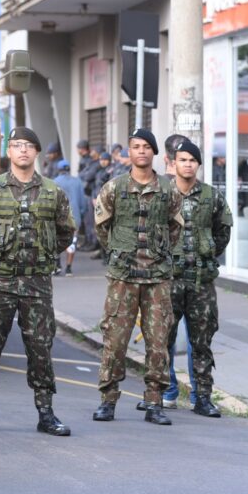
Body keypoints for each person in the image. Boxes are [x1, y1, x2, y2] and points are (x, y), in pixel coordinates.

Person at [0, 127, 76, 438]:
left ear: (36, 152)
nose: (23, 150)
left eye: (28, 145)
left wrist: (42, 254)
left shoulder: (53, 192)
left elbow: (66, 232)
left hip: (37, 284)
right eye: (16, 145)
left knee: (41, 348)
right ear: (9, 152)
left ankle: (46, 412)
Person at [91, 128, 182, 425]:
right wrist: (119, 251)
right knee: (115, 340)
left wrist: (157, 253)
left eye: (146, 146)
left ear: (154, 152)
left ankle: (154, 402)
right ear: (129, 152)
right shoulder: (114, 188)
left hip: (157, 278)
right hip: (123, 278)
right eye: (136, 146)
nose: (141, 151)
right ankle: (108, 400)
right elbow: (101, 226)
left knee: (158, 342)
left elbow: (175, 228)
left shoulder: (168, 190)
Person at [165, 140, 232, 417]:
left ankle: (202, 397)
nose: (188, 165)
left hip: (201, 282)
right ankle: (163, 392)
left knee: (202, 341)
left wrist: (207, 254)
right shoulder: (162, 194)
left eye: (192, 160)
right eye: (183, 160)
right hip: (168, 279)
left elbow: (223, 231)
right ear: (173, 163)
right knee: (162, 339)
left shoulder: (211, 196)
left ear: (198, 165)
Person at [158, 133, 196, 409]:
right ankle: (179, 392)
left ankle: (178, 392)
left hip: (184, 276)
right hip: (172, 275)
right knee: (171, 336)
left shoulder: (158, 189)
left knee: (174, 337)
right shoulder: (159, 190)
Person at [53, 160, 87, 277]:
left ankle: (57, 265)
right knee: (72, 241)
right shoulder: (77, 181)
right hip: (75, 216)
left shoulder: (54, 182)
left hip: (59, 216)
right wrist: (81, 213)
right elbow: (83, 202)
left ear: (59, 170)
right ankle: (68, 268)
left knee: (57, 240)